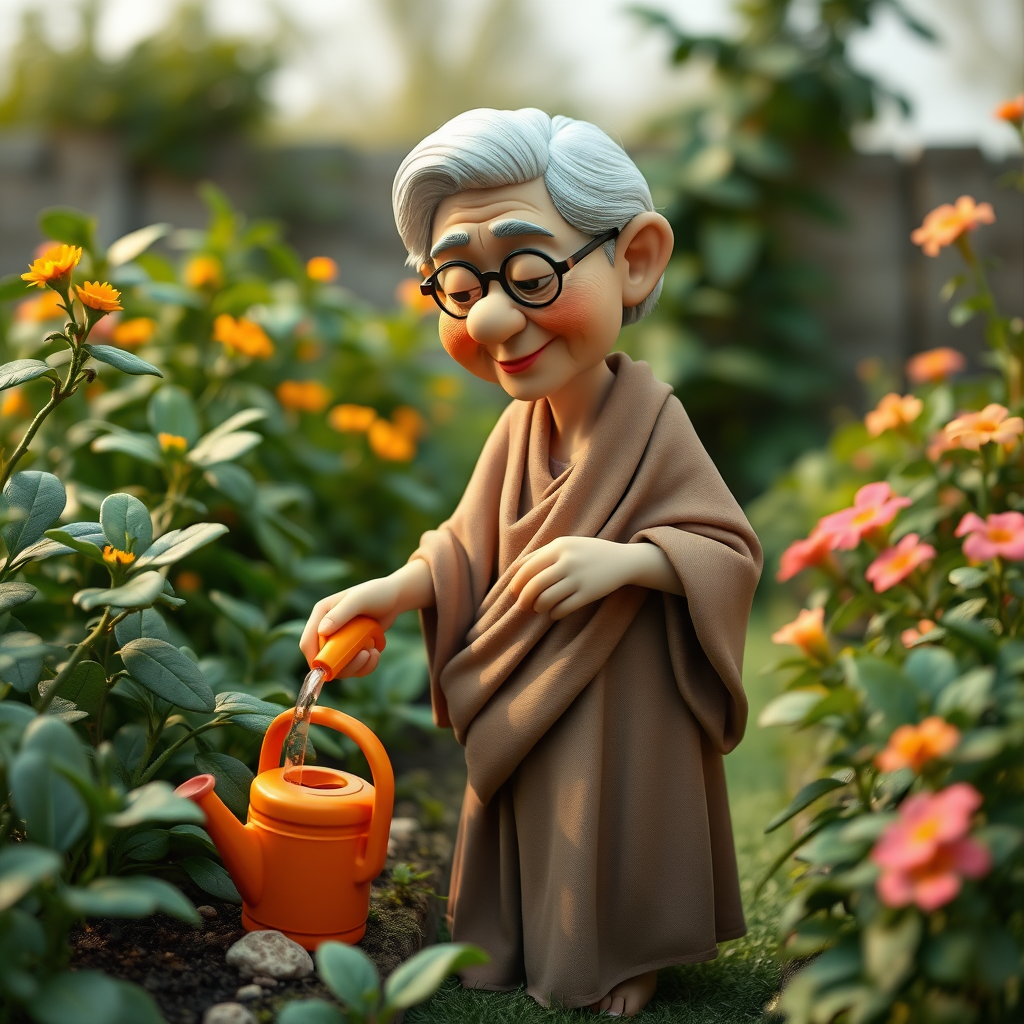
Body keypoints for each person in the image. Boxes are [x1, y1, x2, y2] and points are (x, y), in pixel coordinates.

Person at [300, 108, 762, 1017]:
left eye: (527, 271)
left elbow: (728, 550)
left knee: (610, 807)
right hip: (529, 684)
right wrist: (394, 591)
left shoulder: (654, 420)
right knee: (543, 813)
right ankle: (520, 934)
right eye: (459, 287)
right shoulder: (519, 430)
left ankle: (626, 946)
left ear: (633, 258)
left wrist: (631, 564)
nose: (496, 316)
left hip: (623, 683)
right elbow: (467, 547)